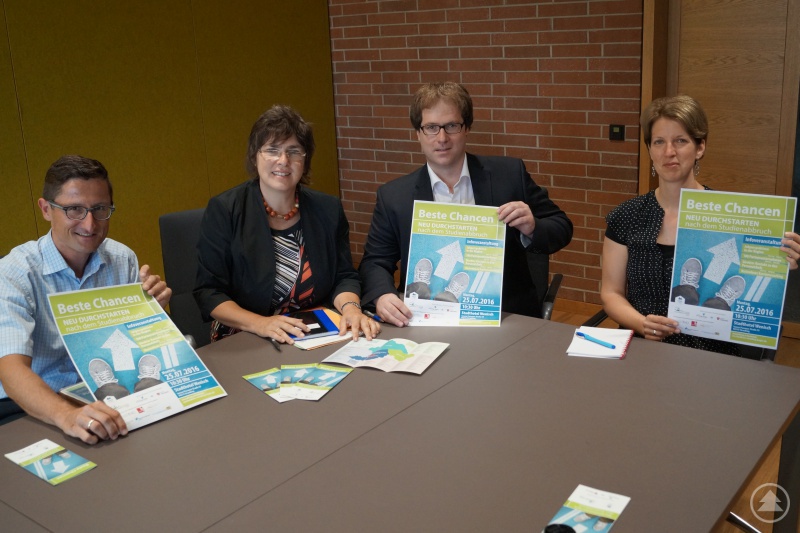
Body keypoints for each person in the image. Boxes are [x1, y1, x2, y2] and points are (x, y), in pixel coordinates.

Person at [359, 82, 573, 326]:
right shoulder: (394, 196)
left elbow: (562, 227)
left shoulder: (509, 174)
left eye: (452, 126)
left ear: (467, 128)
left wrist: (533, 227)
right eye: (431, 127)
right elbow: (375, 261)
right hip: (425, 316)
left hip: (506, 317)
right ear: (418, 133)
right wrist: (382, 295)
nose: (442, 138)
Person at [601, 95, 800, 354]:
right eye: (659, 142)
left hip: (713, 353)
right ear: (650, 149)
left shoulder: (733, 216)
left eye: (680, 141)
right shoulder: (627, 216)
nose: (669, 152)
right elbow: (611, 293)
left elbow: (757, 282)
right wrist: (642, 324)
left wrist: (781, 258)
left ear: (700, 147)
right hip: (645, 348)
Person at [0, 155, 172, 442]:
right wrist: (66, 415)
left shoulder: (122, 258)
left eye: (100, 209)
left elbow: (138, 347)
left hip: (105, 393)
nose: (90, 224)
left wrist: (153, 315)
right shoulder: (15, 272)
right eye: (74, 210)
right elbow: (10, 369)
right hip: (36, 405)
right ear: (45, 209)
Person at [194, 105, 380, 345]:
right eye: (272, 150)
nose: (283, 160)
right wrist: (261, 323)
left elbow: (344, 276)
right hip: (245, 335)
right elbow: (209, 292)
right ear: (255, 156)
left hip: (314, 331)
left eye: (294, 151)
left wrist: (351, 309)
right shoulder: (225, 210)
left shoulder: (328, 209)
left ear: (305, 160)